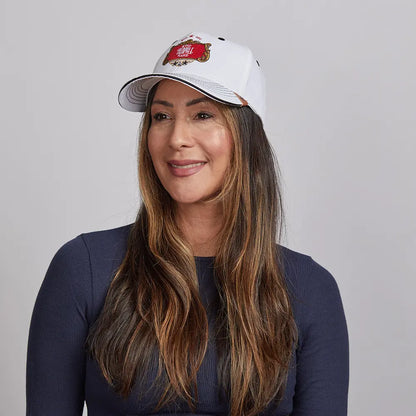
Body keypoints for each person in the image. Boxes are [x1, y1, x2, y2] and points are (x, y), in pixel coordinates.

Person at [26, 32, 349, 416]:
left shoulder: (310, 289)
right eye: (161, 116)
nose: (177, 138)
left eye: (203, 115)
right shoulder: (84, 268)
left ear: (246, 135)